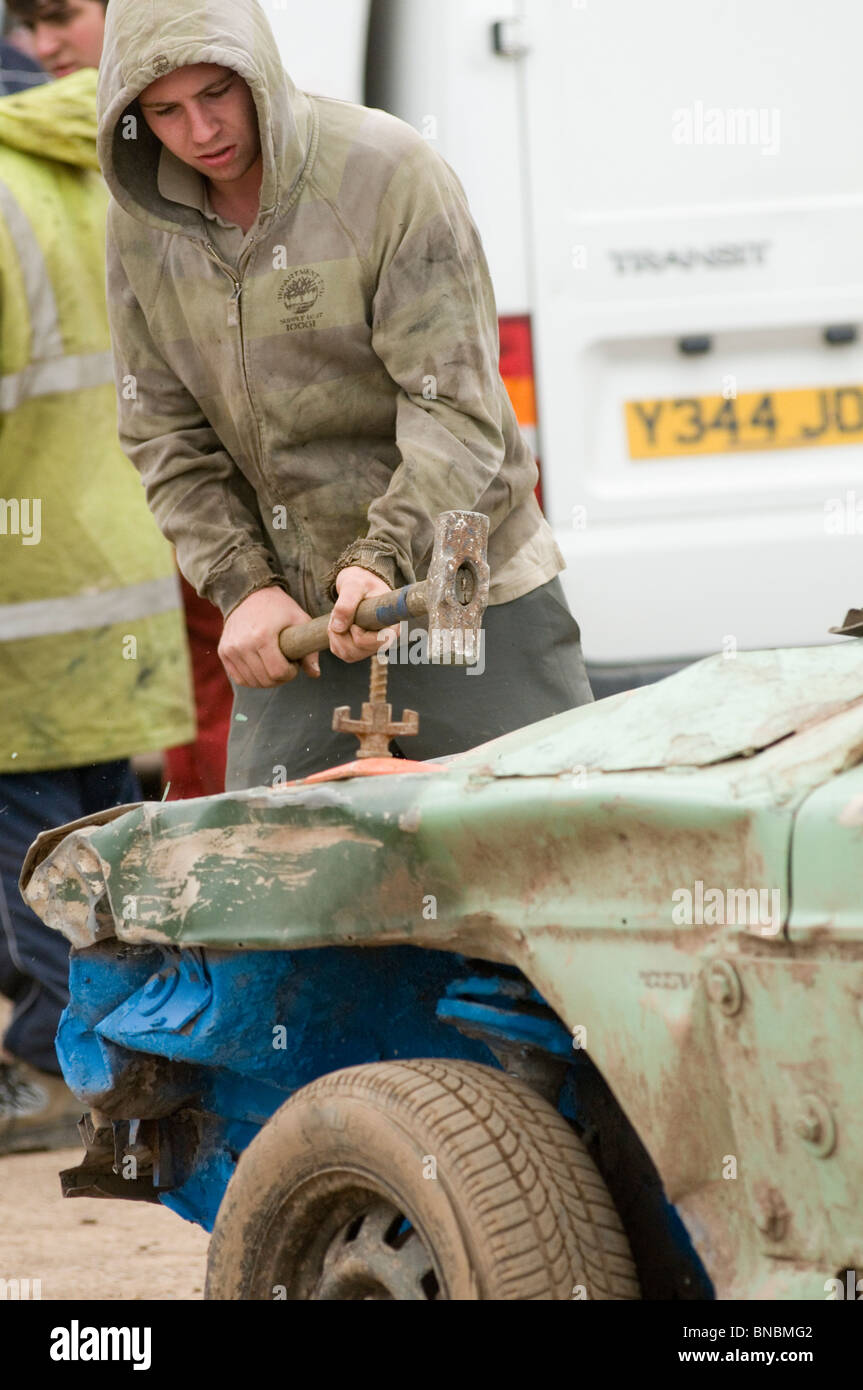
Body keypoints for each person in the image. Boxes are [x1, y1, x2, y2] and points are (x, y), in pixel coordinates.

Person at [97, 0, 594, 794]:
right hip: (297, 616)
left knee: (529, 842)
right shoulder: (138, 226)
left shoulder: (387, 171)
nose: (200, 131)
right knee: (277, 884)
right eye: (165, 111)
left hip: (466, 568)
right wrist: (243, 587)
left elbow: (454, 408)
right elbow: (164, 434)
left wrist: (381, 559)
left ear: (256, 68)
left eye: (217, 93)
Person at [0, 8, 194, 1150]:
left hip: (22, 601)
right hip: (113, 571)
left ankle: (73, 1069)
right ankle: (116, 1053)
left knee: (36, 869)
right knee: (95, 857)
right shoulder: (109, 160)